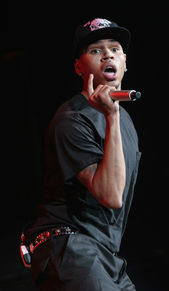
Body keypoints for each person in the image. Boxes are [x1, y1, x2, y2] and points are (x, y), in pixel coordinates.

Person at [23, 17, 141, 291]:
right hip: (69, 248)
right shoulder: (71, 119)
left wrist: (114, 117)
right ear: (79, 67)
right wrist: (111, 117)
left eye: (115, 48)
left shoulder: (126, 122)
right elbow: (110, 195)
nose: (108, 54)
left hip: (104, 253)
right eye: (95, 50)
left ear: (125, 62)